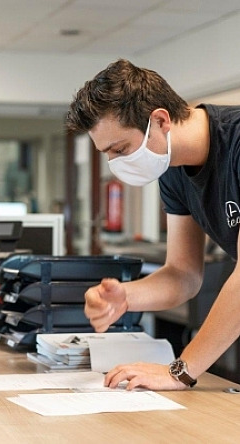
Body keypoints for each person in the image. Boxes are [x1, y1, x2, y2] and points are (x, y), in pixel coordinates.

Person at [66, 59, 240, 391]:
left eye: (120, 149)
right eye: (107, 154)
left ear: (159, 120)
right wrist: (126, 297)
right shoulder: (173, 167)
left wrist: (179, 371)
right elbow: (183, 274)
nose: (116, 163)